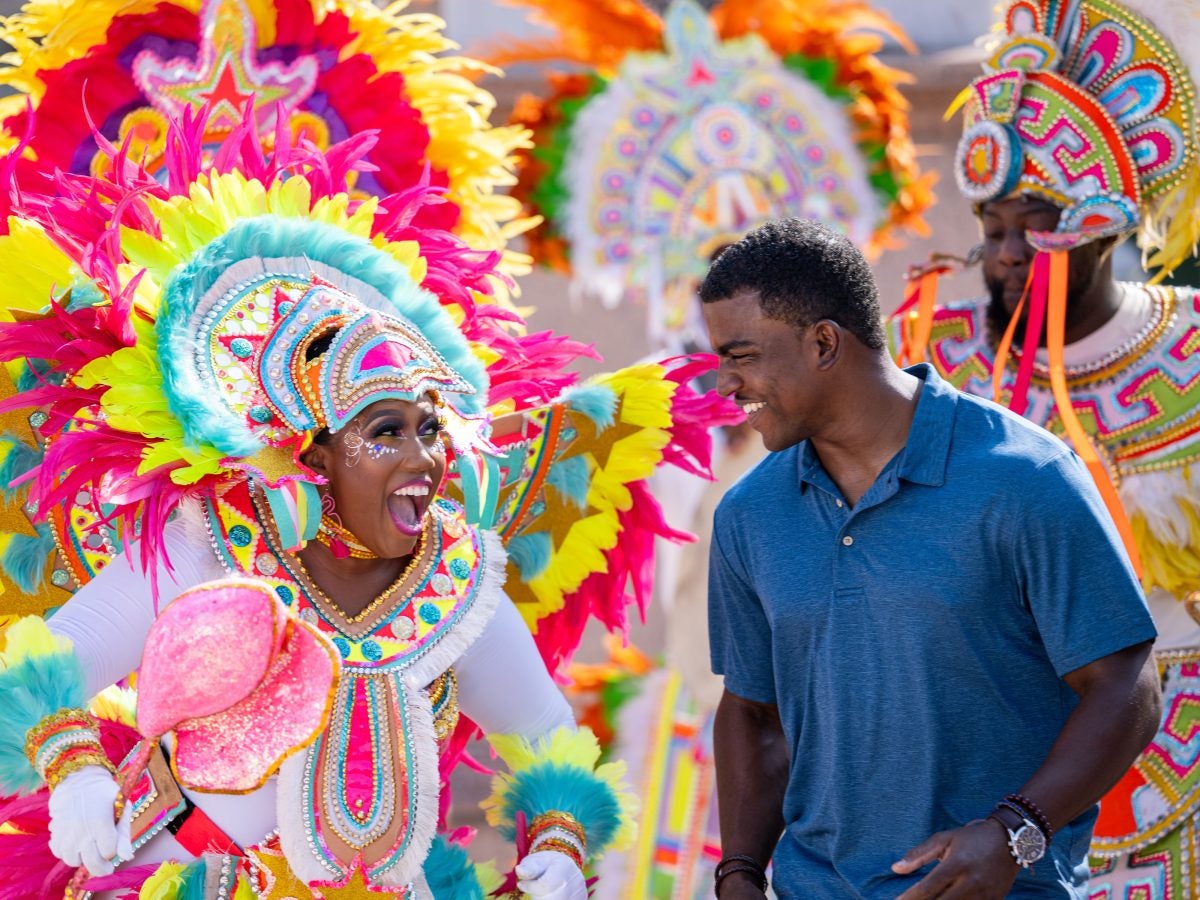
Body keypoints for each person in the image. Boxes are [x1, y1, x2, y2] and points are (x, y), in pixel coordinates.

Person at [0, 103, 738, 898]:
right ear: (313, 450)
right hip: (185, 877)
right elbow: (43, 665)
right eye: (386, 433)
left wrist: (558, 843)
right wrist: (75, 773)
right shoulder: (211, 542)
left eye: (431, 430)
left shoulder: (455, 581)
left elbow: (550, 742)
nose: (424, 457)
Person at [699, 217, 1162, 899]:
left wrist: (1013, 833)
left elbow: (1128, 688)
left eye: (741, 356)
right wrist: (738, 870)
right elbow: (753, 713)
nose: (727, 384)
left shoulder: (1024, 476)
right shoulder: (748, 515)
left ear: (824, 342)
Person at [892, 2, 1200, 895]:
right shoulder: (936, 362)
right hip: (992, 753)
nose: (1003, 256)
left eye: (1031, 228)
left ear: (1100, 225)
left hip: (1179, 747)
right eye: (990, 231)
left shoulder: (1187, 350)